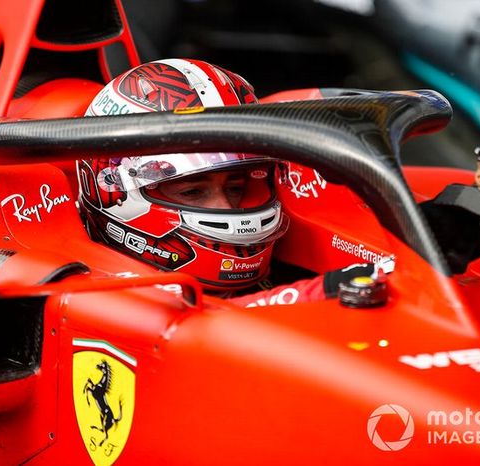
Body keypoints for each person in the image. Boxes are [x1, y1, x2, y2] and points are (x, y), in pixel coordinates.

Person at [77, 59, 382, 306]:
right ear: (116, 193)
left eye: (235, 187)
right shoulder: (79, 288)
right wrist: (317, 292)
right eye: (193, 190)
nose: (226, 208)